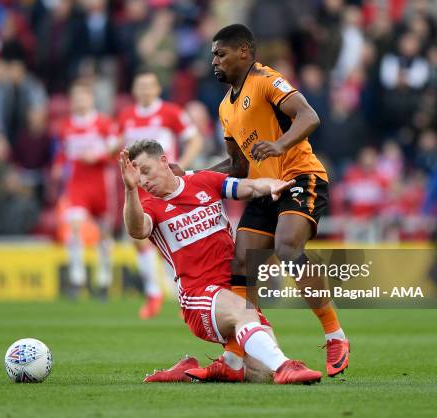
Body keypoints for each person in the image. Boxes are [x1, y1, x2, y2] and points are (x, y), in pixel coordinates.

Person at [202, 23, 349, 378]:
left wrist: (280, 145)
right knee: (241, 262)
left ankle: (335, 335)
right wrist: (195, 176)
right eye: (212, 56)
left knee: (287, 247)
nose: (214, 62)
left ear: (244, 52)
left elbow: (309, 116)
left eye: (221, 54)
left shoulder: (267, 79)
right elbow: (238, 165)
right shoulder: (225, 107)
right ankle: (234, 359)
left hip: (300, 176)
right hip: (264, 189)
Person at [120, 139, 322, 385]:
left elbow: (249, 187)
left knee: (262, 374)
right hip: (198, 296)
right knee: (245, 315)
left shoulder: (204, 181)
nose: (142, 180)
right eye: (137, 176)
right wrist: (130, 191)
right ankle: (285, 366)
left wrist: (273, 185)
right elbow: (137, 230)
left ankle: (194, 370)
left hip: (233, 288)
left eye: (145, 171)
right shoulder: (149, 206)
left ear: (163, 161)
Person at [118, 70, 203, 319]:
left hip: (167, 185)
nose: (144, 90)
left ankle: (184, 295)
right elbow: (114, 143)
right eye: (140, 85)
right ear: (134, 90)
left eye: (149, 86)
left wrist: (181, 166)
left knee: (174, 237)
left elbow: (195, 139)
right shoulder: (126, 116)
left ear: (157, 89)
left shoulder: (171, 112)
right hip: (142, 186)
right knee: (138, 236)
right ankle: (154, 293)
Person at [53, 79, 119, 299]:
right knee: (74, 228)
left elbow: (114, 149)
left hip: (100, 183)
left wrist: (98, 156)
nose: (80, 101)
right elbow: (63, 152)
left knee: (103, 234)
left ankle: (103, 281)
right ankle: (77, 279)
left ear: (91, 99)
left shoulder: (104, 123)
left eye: (84, 97)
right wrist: (58, 165)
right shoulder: (66, 127)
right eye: (76, 97)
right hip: (77, 184)